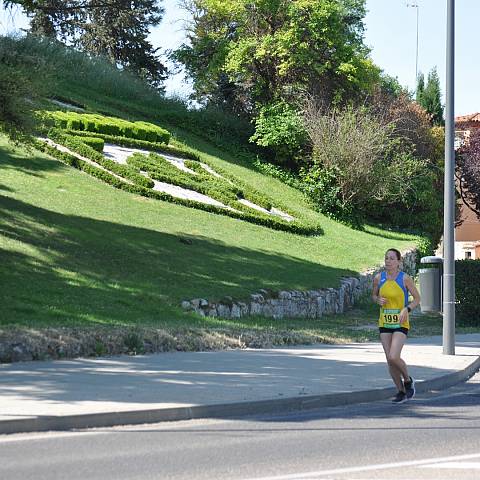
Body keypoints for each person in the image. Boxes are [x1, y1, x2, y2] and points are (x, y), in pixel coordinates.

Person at [372, 248, 421, 404]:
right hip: (385, 322)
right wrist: (377, 299)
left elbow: (417, 298)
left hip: (400, 322)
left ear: (399, 262)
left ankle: (408, 380)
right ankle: (400, 391)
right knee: (389, 360)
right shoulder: (378, 278)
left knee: (394, 356)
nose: (388, 261)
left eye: (392, 258)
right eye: (386, 258)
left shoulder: (405, 278)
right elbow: (374, 295)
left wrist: (407, 309)